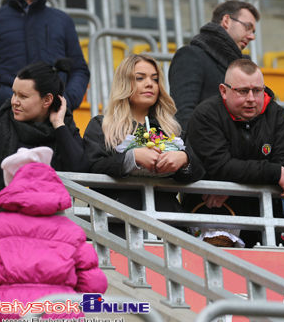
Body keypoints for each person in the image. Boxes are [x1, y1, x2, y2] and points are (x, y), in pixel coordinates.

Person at [0, 147, 108, 322]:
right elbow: (94, 285)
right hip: (60, 314)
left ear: (12, 187)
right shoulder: (73, 231)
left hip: (5, 312)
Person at [184, 59, 284, 248]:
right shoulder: (205, 115)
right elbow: (221, 167)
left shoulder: (277, 115)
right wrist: (274, 171)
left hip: (267, 217)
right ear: (224, 91)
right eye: (243, 91)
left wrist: (229, 189)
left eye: (257, 91)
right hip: (214, 215)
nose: (251, 99)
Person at [83, 54, 204, 235]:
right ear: (124, 83)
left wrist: (184, 160)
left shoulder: (172, 129)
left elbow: (201, 169)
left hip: (168, 226)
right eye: (140, 78)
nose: (150, 84)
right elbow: (91, 169)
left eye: (155, 79)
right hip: (117, 225)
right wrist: (131, 158)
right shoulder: (101, 125)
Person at [0, 0, 90, 139]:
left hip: (56, 123)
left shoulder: (62, 20)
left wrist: (64, 101)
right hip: (8, 123)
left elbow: (80, 70)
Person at [0, 59, 89, 229]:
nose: (14, 101)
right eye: (14, 93)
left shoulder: (65, 129)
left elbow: (81, 172)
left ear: (47, 100)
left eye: (23, 96)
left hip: (50, 229)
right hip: (0, 226)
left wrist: (58, 125)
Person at [169, 0, 260, 131]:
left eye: (253, 31)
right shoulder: (191, 55)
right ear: (227, 21)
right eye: (247, 27)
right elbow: (183, 114)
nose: (252, 36)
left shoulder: (244, 67)